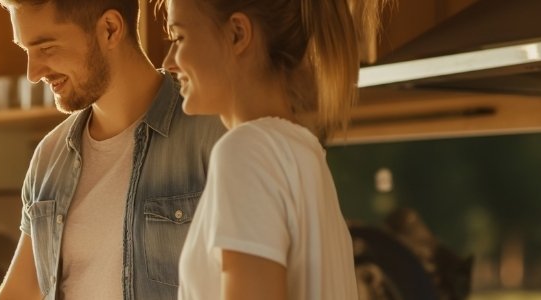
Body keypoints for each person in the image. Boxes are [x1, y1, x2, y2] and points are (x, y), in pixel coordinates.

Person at [0, 0, 226, 299]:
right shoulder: (49, 157)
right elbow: (22, 292)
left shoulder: (212, 133)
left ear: (110, 29)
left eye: (46, 48)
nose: (33, 73)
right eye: (27, 51)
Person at [160, 0, 387, 298]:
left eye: (179, 38)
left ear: (237, 34)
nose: (167, 62)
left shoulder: (246, 152)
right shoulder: (304, 155)